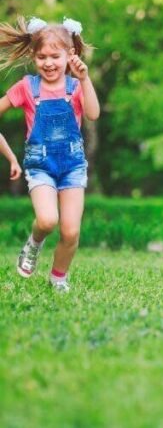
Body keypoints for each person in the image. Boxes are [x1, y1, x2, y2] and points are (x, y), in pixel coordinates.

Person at [0, 17, 100, 292]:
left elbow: (92, 114)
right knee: (47, 220)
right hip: (40, 165)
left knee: (70, 231)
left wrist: (85, 79)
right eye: (41, 56)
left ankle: (58, 277)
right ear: (34, 57)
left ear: (71, 55)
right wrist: (10, 156)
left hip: (72, 166)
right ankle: (34, 244)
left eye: (55, 56)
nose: (48, 63)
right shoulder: (26, 87)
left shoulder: (76, 86)